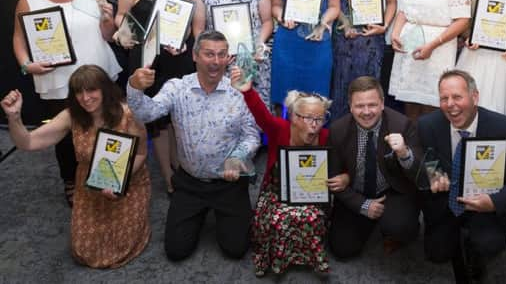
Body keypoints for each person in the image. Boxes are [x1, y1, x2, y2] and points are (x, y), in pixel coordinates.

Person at [127, 30, 260, 261]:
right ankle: (197, 212)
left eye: (221, 55)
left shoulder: (239, 92)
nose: (216, 61)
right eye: (209, 54)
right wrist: (134, 86)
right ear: (195, 56)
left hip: (228, 184)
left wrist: (237, 157)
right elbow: (146, 113)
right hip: (190, 183)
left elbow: (251, 135)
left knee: (236, 249)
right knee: (176, 251)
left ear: (228, 58)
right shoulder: (177, 88)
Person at [1, 65, 150, 268]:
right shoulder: (72, 115)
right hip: (89, 186)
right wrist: (14, 117)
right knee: (85, 251)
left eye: (91, 90)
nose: (85, 98)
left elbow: (141, 153)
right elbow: (27, 142)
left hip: (127, 184)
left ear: (105, 90)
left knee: (120, 246)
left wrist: (119, 182)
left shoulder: (128, 115)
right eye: (79, 92)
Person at [13, 0, 121, 207]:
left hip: (98, 74)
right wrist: (27, 64)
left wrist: (108, 20)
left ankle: (110, 175)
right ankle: (71, 180)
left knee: (108, 128)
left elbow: (107, 36)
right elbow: (19, 37)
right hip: (58, 80)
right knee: (65, 134)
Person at [416, 70, 506, 283]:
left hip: (487, 205)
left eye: (457, 97)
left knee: (488, 246)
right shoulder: (428, 124)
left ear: (475, 97)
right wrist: (433, 173)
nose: (450, 104)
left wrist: (494, 202)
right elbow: (424, 156)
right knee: (437, 254)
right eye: (444, 98)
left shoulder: (503, 127)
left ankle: (475, 241)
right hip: (444, 203)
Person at [229, 67, 347, 276]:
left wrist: (345, 176)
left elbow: (342, 163)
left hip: (312, 192)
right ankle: (276, 260)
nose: (314, 125)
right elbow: (261, 115)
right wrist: (247, 91)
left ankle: (311, 257)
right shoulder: (279, 129)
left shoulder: (328, 135)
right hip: (276, 191)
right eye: (308, 118)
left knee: (311, 216)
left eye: (320, 119)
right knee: (279, 218)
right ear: (293, 116)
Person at [115, 0, 192, 195]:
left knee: (176, 116)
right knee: (157, 121)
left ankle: (180, 166)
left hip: (175, 59)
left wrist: (182, 41)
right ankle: (169, 177)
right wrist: (127, 32)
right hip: (147, 61)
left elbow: (187, 23)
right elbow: (121, 18)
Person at [328, 76, 420, 259]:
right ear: (350, 106)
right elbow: (333, 178)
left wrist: (404, 153)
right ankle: (369, 219)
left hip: (391, 191)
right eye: (360, 106)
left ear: (382, 104)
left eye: (372, 105)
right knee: (342, 250)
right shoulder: (337, 130)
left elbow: (420, 174)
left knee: (402, 228)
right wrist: (362, 205)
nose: (366, 112)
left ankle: (391, 227)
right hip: (356, 191)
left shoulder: (402, 125)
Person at [389, 0, 471, 122]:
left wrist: (433, 45)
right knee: (410, 108)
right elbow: (404, 11)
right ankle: (411, 151)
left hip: (438, 50)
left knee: (432, 106)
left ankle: (430, 152)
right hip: (410, 47)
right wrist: (395, 33)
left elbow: (463, 20)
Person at [192, 0, 273, 107]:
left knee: (256, 117)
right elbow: (198, 29)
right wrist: (212, 53)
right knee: (223, 117)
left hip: (253, 63)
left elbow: (267, 22)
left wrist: (259, 43)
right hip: (218, 65)